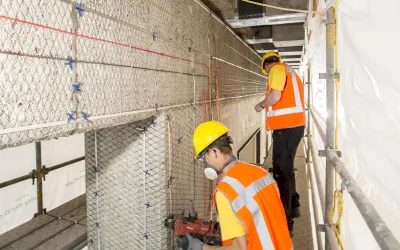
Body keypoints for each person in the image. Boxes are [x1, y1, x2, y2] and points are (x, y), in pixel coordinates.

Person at [187, 121, 293, 250]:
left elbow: (239, 248)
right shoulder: (262, 173)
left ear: (213, 152)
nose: (205, 162)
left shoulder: (225, 193)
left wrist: (203, 248)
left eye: (204, 157)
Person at [254, 52, 305, 235]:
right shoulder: (290, 72)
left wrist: (260, 105)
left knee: (281, 173)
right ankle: (295, 204)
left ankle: (285, 221)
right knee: (287, 168)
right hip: (294, 126)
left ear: (266, 65)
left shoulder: (276, 70)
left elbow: (275, 97)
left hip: (286, 128)